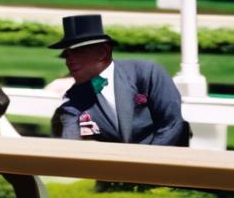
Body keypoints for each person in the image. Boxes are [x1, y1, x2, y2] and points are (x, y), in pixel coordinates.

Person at [50, 14, 189, 146]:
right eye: (66, 55)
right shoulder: (75, 97)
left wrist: (147, 164)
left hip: (164, 163)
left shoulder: (148, 73)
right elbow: (71, 141)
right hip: (114, 167)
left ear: (103, 52)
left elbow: (171, 123)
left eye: (77, 52)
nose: (69, 61)